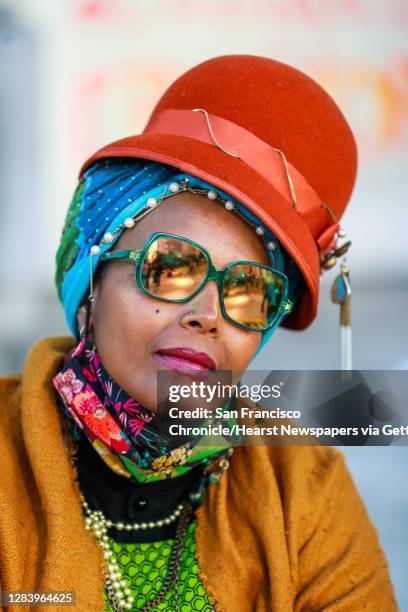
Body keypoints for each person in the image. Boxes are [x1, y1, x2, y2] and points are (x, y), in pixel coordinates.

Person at [0, 55, 398, 611]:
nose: (208, 313)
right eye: (170, 268)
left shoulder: (301, 480)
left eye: (248, 291)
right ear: (91, 285)